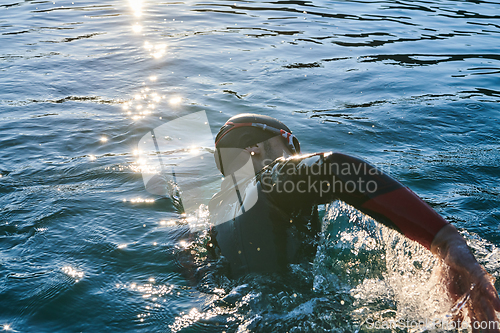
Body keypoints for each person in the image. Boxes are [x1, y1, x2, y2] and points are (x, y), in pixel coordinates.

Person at [206, 113, 500, 330]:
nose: (295, 154)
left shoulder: (212, 227)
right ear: (252, 149)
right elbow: (333, 168)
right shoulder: (267, 181)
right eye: (290, 144)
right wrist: (446, 241)